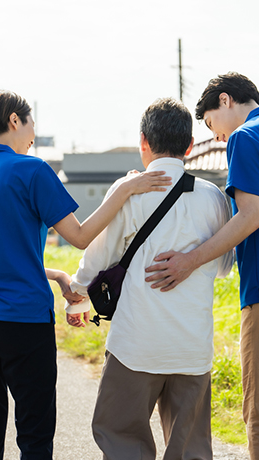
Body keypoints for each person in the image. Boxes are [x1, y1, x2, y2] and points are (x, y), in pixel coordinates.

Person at [0, 90, 171, 460]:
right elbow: (81, 236)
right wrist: (124, 189)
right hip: (21, 320)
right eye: (31, 123)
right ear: (15, 121)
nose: (33, 134)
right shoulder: (31, 169)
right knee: (34, 436)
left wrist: (53, 275)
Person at [143, 73, 259, 460]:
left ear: (226, 100)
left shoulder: (247, 137)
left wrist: (189, 260)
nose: (217, 137)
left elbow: (249, 217)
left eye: (212, 123)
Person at [65, 97, 233, 460]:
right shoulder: (214, 198)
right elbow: (222, 266)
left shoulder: (129, 191)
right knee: (191, 450)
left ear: (143, 141)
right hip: (191, 348)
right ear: (189, 146)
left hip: (135, 345)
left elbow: (96, 258)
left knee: (122, 438)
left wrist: (77, 296)